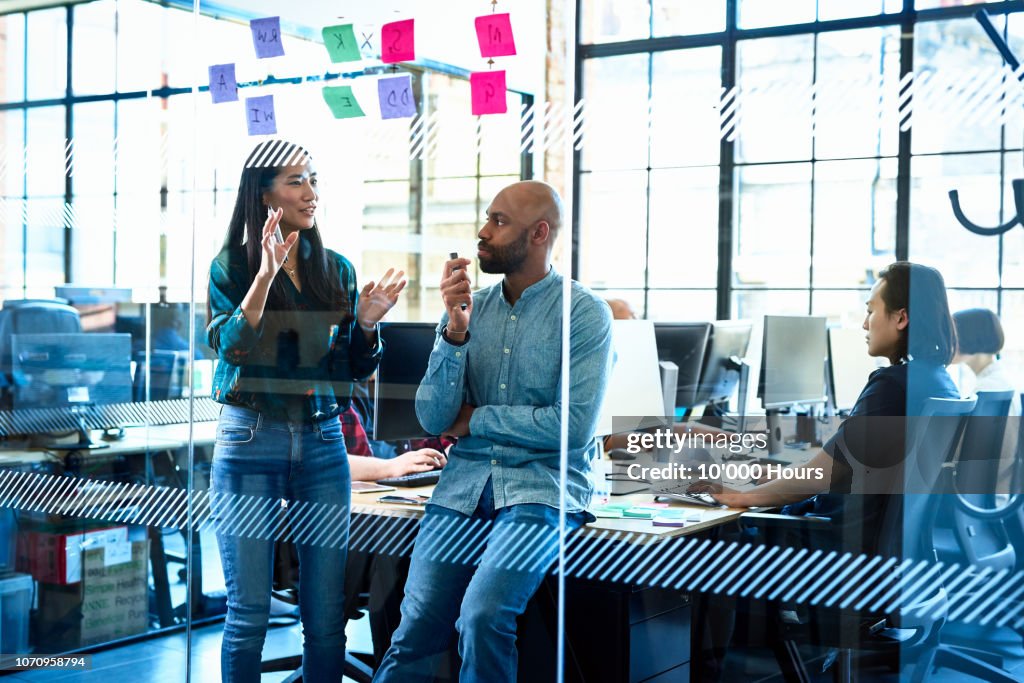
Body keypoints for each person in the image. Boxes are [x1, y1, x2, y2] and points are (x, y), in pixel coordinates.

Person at [372, 180, 614, 683]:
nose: (483, 232)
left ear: (540, 233)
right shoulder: (472, 308)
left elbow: (569, 427)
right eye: (487, 217)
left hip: (540, 489)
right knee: (415, 626)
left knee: (482, 617)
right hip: (463, 486)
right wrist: (454, 331)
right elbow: (434, 418)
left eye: (499, 222)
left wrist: (475, 419)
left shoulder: (584, 313)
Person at [206, 140, 405, 683]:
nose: (311, 193)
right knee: (248, 615)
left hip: (321, 443)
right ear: (262, 192)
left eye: (313, 179)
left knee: (325, 619)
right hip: (251, 438)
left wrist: (366, 324)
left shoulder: (335, 269)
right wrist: (265, 276)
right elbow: (234, 349)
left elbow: (349, 373)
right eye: (296, 181)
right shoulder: (232, 267)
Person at [952, 308, 1021, 493]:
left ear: (970, 337)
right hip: (996, 493)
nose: (946, 340)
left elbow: (959, 454)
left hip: (977, 495)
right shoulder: (1003, 382)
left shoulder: (985, 390)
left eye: (951, 333)